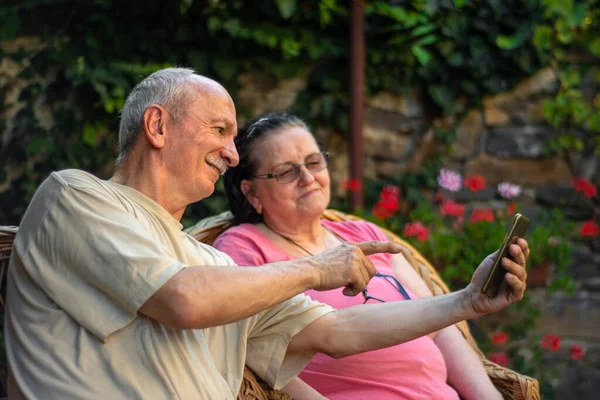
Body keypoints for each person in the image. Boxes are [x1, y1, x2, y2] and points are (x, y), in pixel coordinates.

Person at [5, 68, 529, 400]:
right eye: (219, 131)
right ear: (158, 127)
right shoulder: (76, 197)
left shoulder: (214, 266)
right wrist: (318, 268)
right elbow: (181, 299)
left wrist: (466, 302)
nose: (232, 154)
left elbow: (339, 333)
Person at [214, 111, 525, 399]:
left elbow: (441, 327)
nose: (307, 178)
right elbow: (258, 359)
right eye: (285, 172)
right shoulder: (242, 247)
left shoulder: (364, 234)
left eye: (313, 162)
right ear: (251, 192)